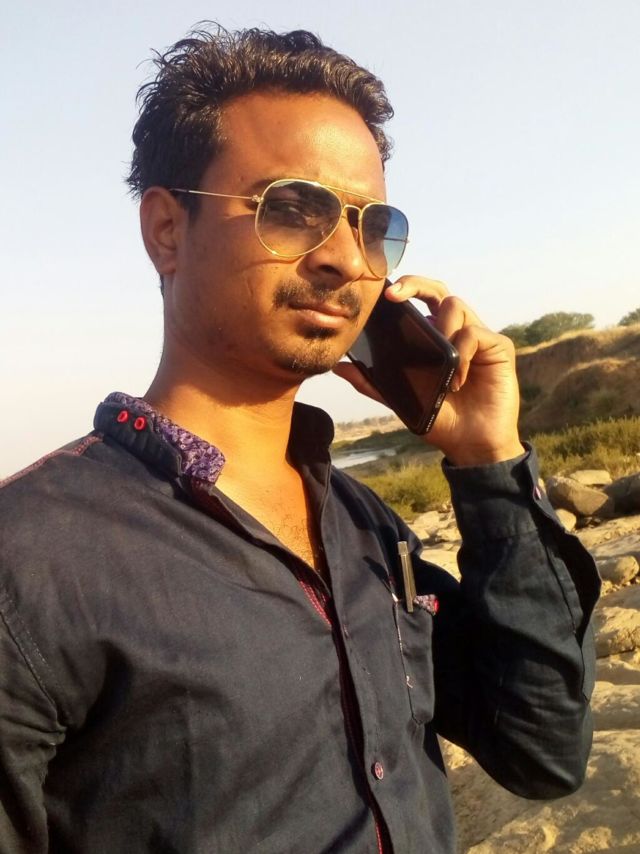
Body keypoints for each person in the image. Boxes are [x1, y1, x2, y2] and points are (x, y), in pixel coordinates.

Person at [0, 25, 600, 854]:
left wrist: (488, 460)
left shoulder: (367, 530)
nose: (346, 260)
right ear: (167, 229)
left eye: (371, 225)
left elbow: (543, 749)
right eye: (291, 209)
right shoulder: (31, 562)